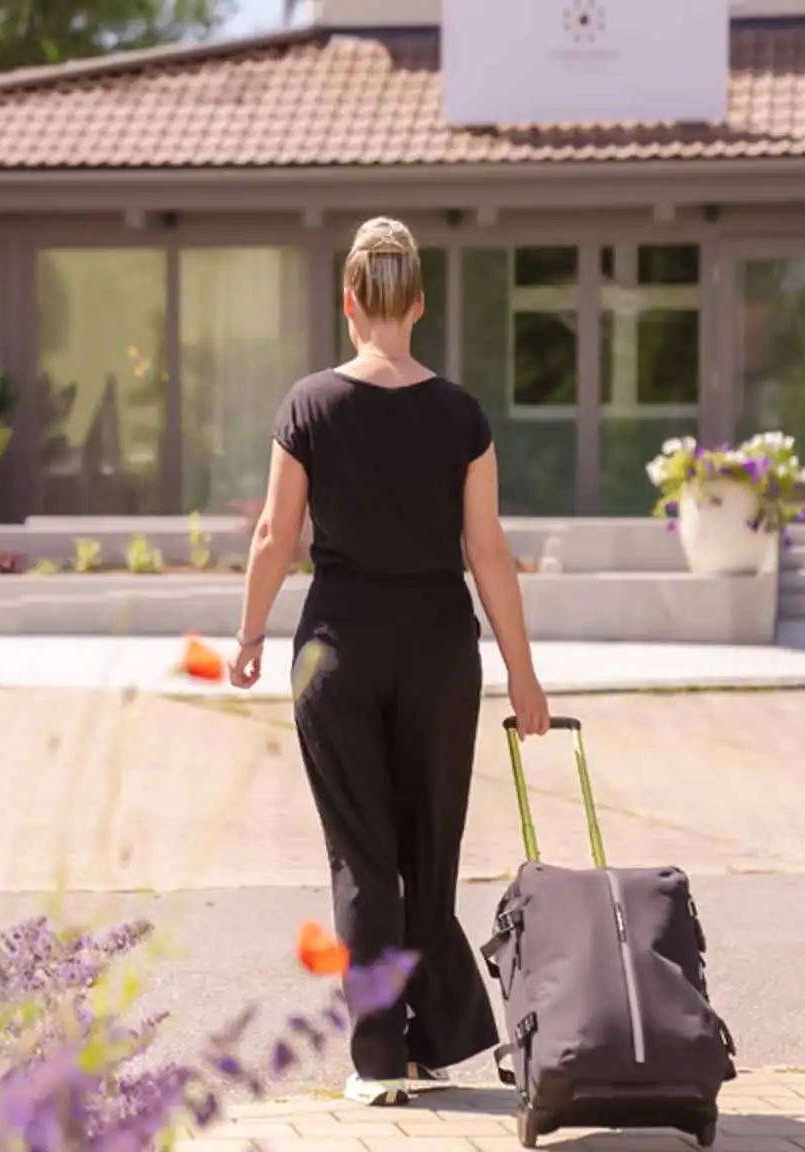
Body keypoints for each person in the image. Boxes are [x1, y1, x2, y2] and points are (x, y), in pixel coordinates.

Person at [229, 216, 552, 1106]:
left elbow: (274, 534)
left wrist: (251, 635)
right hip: (441, 654)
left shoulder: (308, 406)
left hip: (336, 653)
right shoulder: (460, 415)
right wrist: (524, 674)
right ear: (417, 302)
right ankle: (434, 1037)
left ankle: (383, 1060)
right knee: (428, 853)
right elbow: (487, 550)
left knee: (364, 859)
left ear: (349, 304)